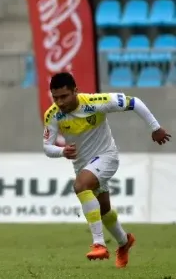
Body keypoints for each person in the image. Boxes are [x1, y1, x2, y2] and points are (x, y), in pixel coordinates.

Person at [42, 72, 171, 268]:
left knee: (80, 186)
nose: (59, 102)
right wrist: (62, 151)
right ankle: (124, 241)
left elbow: (134, 102)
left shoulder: (96, 102)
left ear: (75, 91)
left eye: (64, 96)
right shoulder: (53, 114)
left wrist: (155, 127)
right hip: (83, 164)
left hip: (106, 157)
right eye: (55, 97)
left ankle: (98, 243)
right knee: (104, 210)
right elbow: (47, 147)